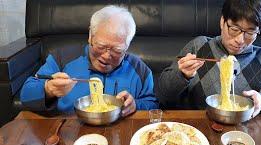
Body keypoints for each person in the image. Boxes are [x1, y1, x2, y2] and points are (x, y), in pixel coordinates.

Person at [158, 0, 261, 117]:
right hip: (199, 129)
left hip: (245, 132)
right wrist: (182, 75)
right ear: (222, 21)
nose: (240, 40)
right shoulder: (199, 46)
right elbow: (163, 95)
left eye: (250, 32)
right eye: (234, 29)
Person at [20, 5, 158, 117]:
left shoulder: (140, 69)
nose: (106, 56)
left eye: (117, 50)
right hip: (69, 134)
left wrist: (135, 105)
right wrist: (48, 89)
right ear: (90, 36)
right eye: (101, 46)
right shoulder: (62, 58)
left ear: (127, 47)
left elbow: (152, 104)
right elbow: (26, 95)